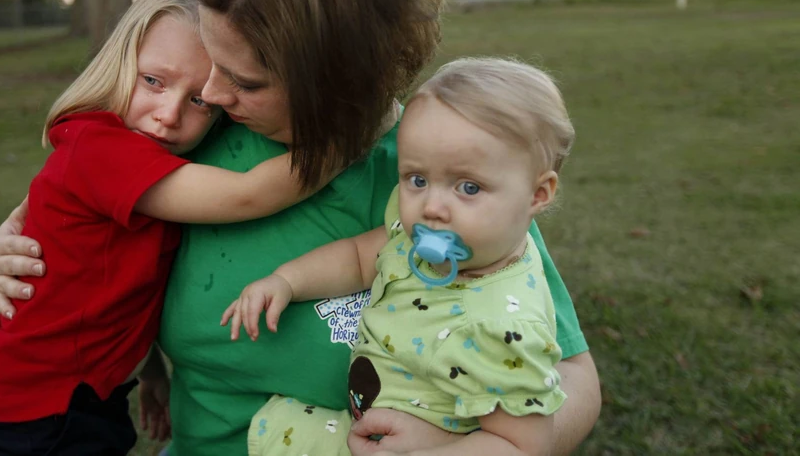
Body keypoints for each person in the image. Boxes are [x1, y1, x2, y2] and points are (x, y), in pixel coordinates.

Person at [0, 0, 601, 456]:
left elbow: (574, 377)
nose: (215, 95)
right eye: (211, 62)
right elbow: (84, 188)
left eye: (246, 82)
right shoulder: (197, 130)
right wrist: (16, 237)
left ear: (334, 84)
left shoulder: (431, 182)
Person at [0, 0, 331, 456]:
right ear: (120, 61)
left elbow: (120, 289)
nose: (168, 115)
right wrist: (341, 139)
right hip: (41, 420)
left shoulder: (149, 159)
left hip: (90, 398)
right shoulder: (99, 148)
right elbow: (246, 195)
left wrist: (151, 369)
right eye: (153, 81)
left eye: (198, 100)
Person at [224, 57, 574, 456]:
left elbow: (522, 446)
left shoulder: (503, 328)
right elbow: (359, 258)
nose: (433, 206)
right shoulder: (425, 236)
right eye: (418, 179)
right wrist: (286, 281)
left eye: (469, 188)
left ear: (537, 194)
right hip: (363, 424)